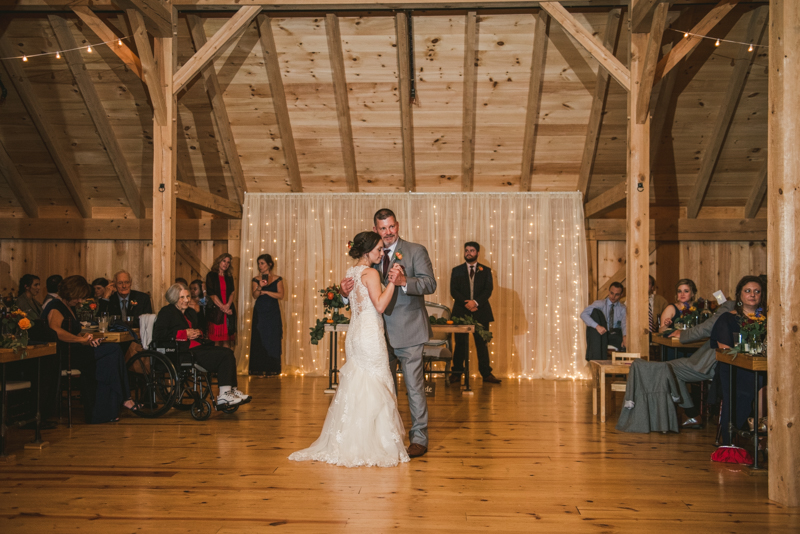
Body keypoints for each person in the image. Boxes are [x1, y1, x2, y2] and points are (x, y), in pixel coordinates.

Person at [290, 231, 409, 467]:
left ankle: (352, 441)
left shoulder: (351, 271)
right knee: (376, 383)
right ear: (367, 252)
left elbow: (355, 300)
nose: (381, 252)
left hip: (355, 333)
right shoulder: (372, 272)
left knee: (358, 384)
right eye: (378, 249)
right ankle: (377, 443)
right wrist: (394, 283)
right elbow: (381, 305)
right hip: (369, 334)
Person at [339, 209, 436, 458]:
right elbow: (360, 294)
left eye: (391, 227)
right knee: (382, 388)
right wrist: (342, 293)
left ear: (397, 225)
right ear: (376, 230)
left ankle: (419, 438)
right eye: (383, 228)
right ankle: (384, 437)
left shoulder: (415, 250)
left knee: (414, 388)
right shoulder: (371, 257)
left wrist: (404, 281)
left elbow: (429, 284)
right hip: (377, 336)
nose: (388, 232)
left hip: (409, 330)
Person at [42, 275, 138, 424]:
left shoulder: (69, 306)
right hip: (65, 354)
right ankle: (123, 399)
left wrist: (88, 339)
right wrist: (80, 340)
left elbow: (73, 331)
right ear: (69, 293)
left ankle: (110, 408)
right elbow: (56, 331)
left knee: (113, 352)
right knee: (112, 350)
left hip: (76, 349)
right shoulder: (56, 306)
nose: (80, 301)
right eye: (78, 298)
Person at [153, 284, 250, 408]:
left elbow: (201, 328)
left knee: (228, 352)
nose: (187, 300)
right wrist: (184, 333)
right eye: (182, 297)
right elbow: (158, 335)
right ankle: (224, 395)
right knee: (224, 354)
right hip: (182, 352)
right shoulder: (167, 312)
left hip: (196, 347)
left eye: (187, 296)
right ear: (173, 298)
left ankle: (231, 390)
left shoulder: (190, 313)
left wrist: (198, 332)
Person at [711, 276, 767, 445]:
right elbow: (725, 351)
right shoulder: (727, 319)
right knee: (750, 385)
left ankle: (763, 431)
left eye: (757, 291)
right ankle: (734, 438)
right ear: (739, 294)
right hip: (734, 368)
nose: (752, 295)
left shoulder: (767, 320)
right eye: (748, 291)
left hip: (762, 366)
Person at [665, 297, 736, 428]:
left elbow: (708, 328)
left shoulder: (732, 305)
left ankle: (691, 413)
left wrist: (684, 334)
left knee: (667, 368)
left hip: (720, 363)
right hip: (736, 364)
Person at [449, 242, 500, 385]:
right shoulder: (456, 270)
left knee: (482, 344)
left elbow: (488, 290)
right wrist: (467, 303)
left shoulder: (486, 270)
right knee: (460, 344)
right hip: (461, 312)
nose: (468, 253)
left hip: (481, 312)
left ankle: (486, 374)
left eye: (471, 251)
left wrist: (475, 303)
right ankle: (457, 373)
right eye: (466, 250)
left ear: (477, 253)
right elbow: (453, 291)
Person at [249, 254, 284, 377]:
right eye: (259, 263)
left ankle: (271, 369)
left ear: (269, 264)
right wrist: (260, 287)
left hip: (273, 312)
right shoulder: (256, 279)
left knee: (272, 339)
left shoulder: (278, 278)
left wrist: (266, 291)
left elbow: (280, 295)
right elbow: (255, 295)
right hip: (260, 311)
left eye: (262, 263)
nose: (260, 266)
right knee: (260, 338)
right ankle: (259, 369)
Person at [581, 282, 626, 360]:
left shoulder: (622, 308)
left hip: (615, 334)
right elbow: (583, 314)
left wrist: (625, 337)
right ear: (608, 292)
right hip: (601, 333)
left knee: (625, 345)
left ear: (621, 295)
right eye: (611, 293)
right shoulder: (599, 303)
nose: (613, 296)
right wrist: (597, 326)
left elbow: (625, 323)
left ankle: (620, 370)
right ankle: (597, 362)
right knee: (595, 313)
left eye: (617, 294)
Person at [205, 253, 236, 348]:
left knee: (227, 341)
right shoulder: (211, 275)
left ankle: (227, 362)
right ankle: (217, 361)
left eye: (228, 262)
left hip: (228, 309)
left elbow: (232, 292)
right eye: (224, 261)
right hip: (216, 310)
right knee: (216, 341)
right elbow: (212, 295)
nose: (225, 264)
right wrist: (223, 307)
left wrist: (227, 306)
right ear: (219, 261)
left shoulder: (229, 276)